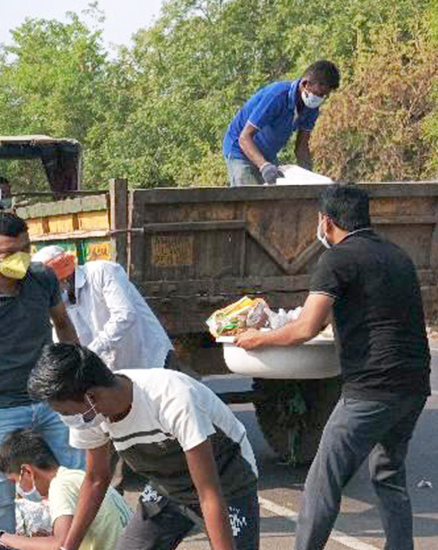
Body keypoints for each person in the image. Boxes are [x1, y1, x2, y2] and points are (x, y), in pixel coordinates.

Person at [235, 184, 431, 550]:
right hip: (414, 384)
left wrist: (257, 338)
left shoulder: (337, 260)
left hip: (372, 388)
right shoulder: (397, 255)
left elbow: (307, 328)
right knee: (388, 474)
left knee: (322, 482)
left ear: (326, 221)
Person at [29, 343, 260, 550]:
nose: (68, 420)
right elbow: (96, 479)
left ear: (91, 397)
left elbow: (208, 492)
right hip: (166, 486)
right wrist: (67, 547)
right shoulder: (90, 415)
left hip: (226, 481)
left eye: (67, 413)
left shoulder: (172, 398)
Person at [0, 211, 85, 547]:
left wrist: (79, 373)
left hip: (50, 400)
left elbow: (63, 325)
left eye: (25, 249)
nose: (18, 260)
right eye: (8, 253)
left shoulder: (42, 279)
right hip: (1, 407)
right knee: (1, 492)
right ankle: (1, 544)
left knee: (74, 478)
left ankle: (79, 542)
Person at [32, 245, 174, 371]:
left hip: (151, 358)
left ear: (63, 277)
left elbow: (125, 316)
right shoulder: (59, 297)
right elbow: (60, 333)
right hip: (115, 371)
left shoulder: (102, 271)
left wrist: (91, 351)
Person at [0, 428, 132, 550]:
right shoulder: (76, 476)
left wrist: (6, 539)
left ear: (27, 472)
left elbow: (60, 545)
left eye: (15, 481)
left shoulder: (59, 487)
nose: (18, 488)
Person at [223, 60, 340, 187]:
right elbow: (244, 137)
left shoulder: (311, 108)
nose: (321, 99)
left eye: (325, 96)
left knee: (274, 199)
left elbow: (301, 147)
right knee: (249, 198)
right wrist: (264, 166)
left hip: (267, 154)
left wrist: (310, 178)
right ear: (306, 84)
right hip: (240, 150)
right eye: (319, 94)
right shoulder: (277, 96)